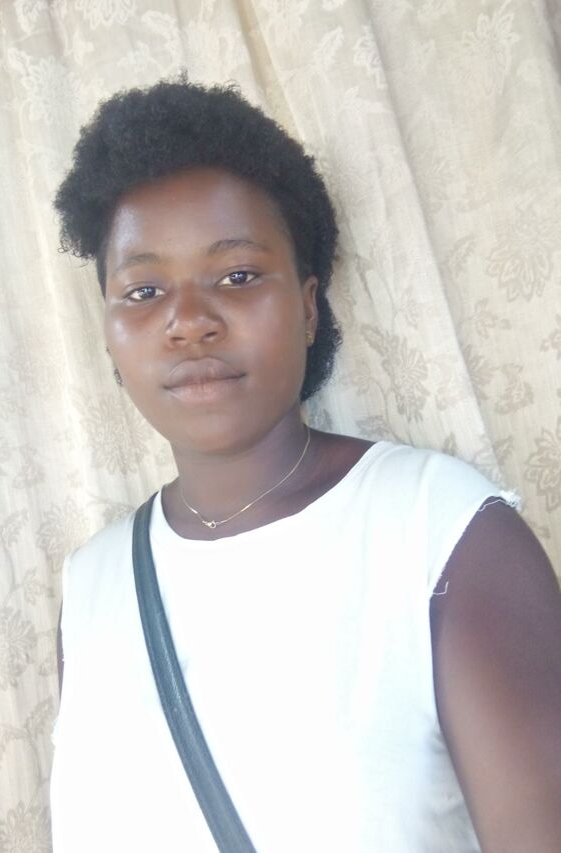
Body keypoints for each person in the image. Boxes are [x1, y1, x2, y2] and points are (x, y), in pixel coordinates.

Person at [49, 80, 561, 852]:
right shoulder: (93, 585)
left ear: (309, 305)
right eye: (144, 290)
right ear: (111, 335)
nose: (188, 321)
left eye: (238, 275)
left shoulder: (440, 533)